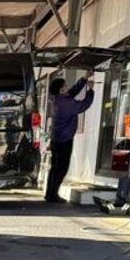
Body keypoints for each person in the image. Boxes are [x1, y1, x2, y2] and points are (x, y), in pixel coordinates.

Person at [45, 73, 95, 203]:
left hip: (56, 138)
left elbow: (72, 92)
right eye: (65, 85)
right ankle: (53, 195)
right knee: (61, 168)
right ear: (62, 90)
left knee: (54, 168)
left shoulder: (57, 99)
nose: (68, 87)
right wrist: (90, 90)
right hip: (65, 139)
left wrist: (83, 79)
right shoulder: (66, 103)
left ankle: (49, 193)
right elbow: (83, 105)